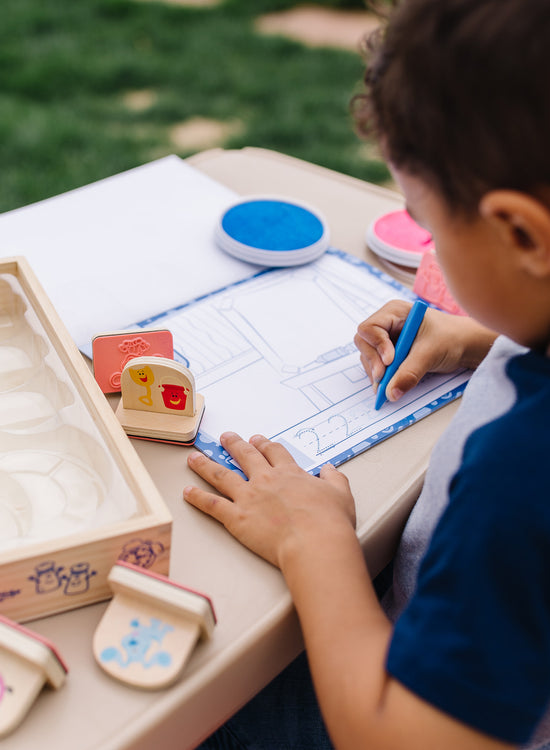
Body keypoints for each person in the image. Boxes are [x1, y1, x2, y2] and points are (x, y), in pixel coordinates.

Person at [183, 0, 550, 748]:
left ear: (521, 232)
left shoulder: (524, 473)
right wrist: (486, 339)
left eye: (429, 222)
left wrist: (315, 543)